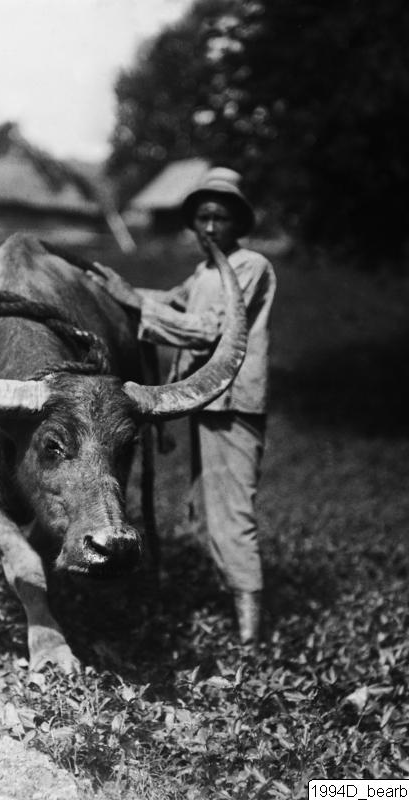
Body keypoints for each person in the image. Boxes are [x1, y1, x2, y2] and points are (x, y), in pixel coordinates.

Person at [90, 168, 276, 646]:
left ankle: (251, 640)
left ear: (239, 223)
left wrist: (136, 303)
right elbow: (169, 303)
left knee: (231, 513)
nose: (210, 228)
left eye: (220, 218)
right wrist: (114, 291)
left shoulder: (250, 266)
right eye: (202, 218)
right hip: (208, 402)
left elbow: (211, 327)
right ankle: (234, 612)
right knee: (208, 506)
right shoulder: (204, 272)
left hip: (233, 403)